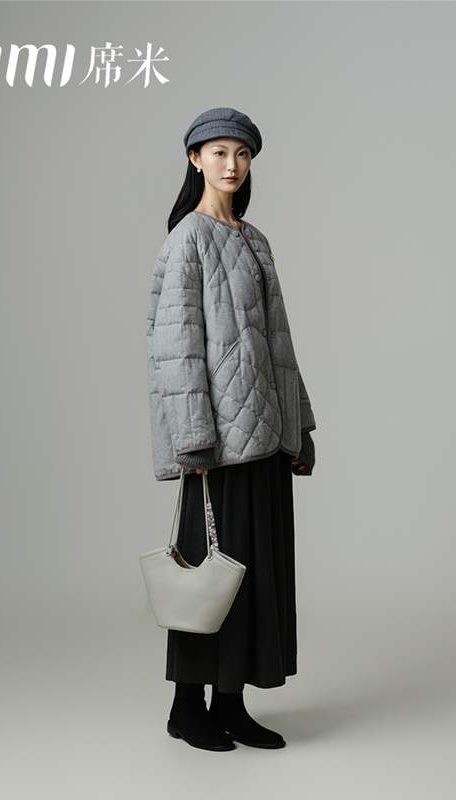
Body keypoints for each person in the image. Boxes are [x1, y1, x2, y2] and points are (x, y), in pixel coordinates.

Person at [146, 107, 316, 751]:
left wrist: (299, 427)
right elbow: (175, 347)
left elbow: (280, 344)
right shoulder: (186, 238)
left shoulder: (254, 239)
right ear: (194, 159)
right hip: (215, 443)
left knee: (251, 574)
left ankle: (230, 704)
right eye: (219, 152)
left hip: (265, 436)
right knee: (208, 575)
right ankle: (186, 709)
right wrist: (193, 437)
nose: (232, 164)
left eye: (242, 154)